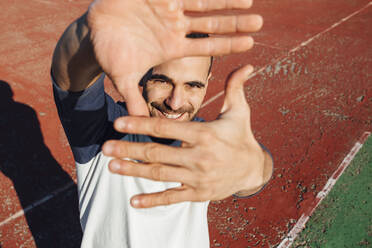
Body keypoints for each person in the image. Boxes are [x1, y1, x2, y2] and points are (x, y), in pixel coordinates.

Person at [51, 0, 273, 247]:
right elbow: (69, 76)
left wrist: (253, 166)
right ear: (142, 75)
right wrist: (88, 33)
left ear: (208, 82)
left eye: (192, 85)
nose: (175, 103)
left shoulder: (206, 142)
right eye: (163, 81)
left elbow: (256, 173)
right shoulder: (103, 129)